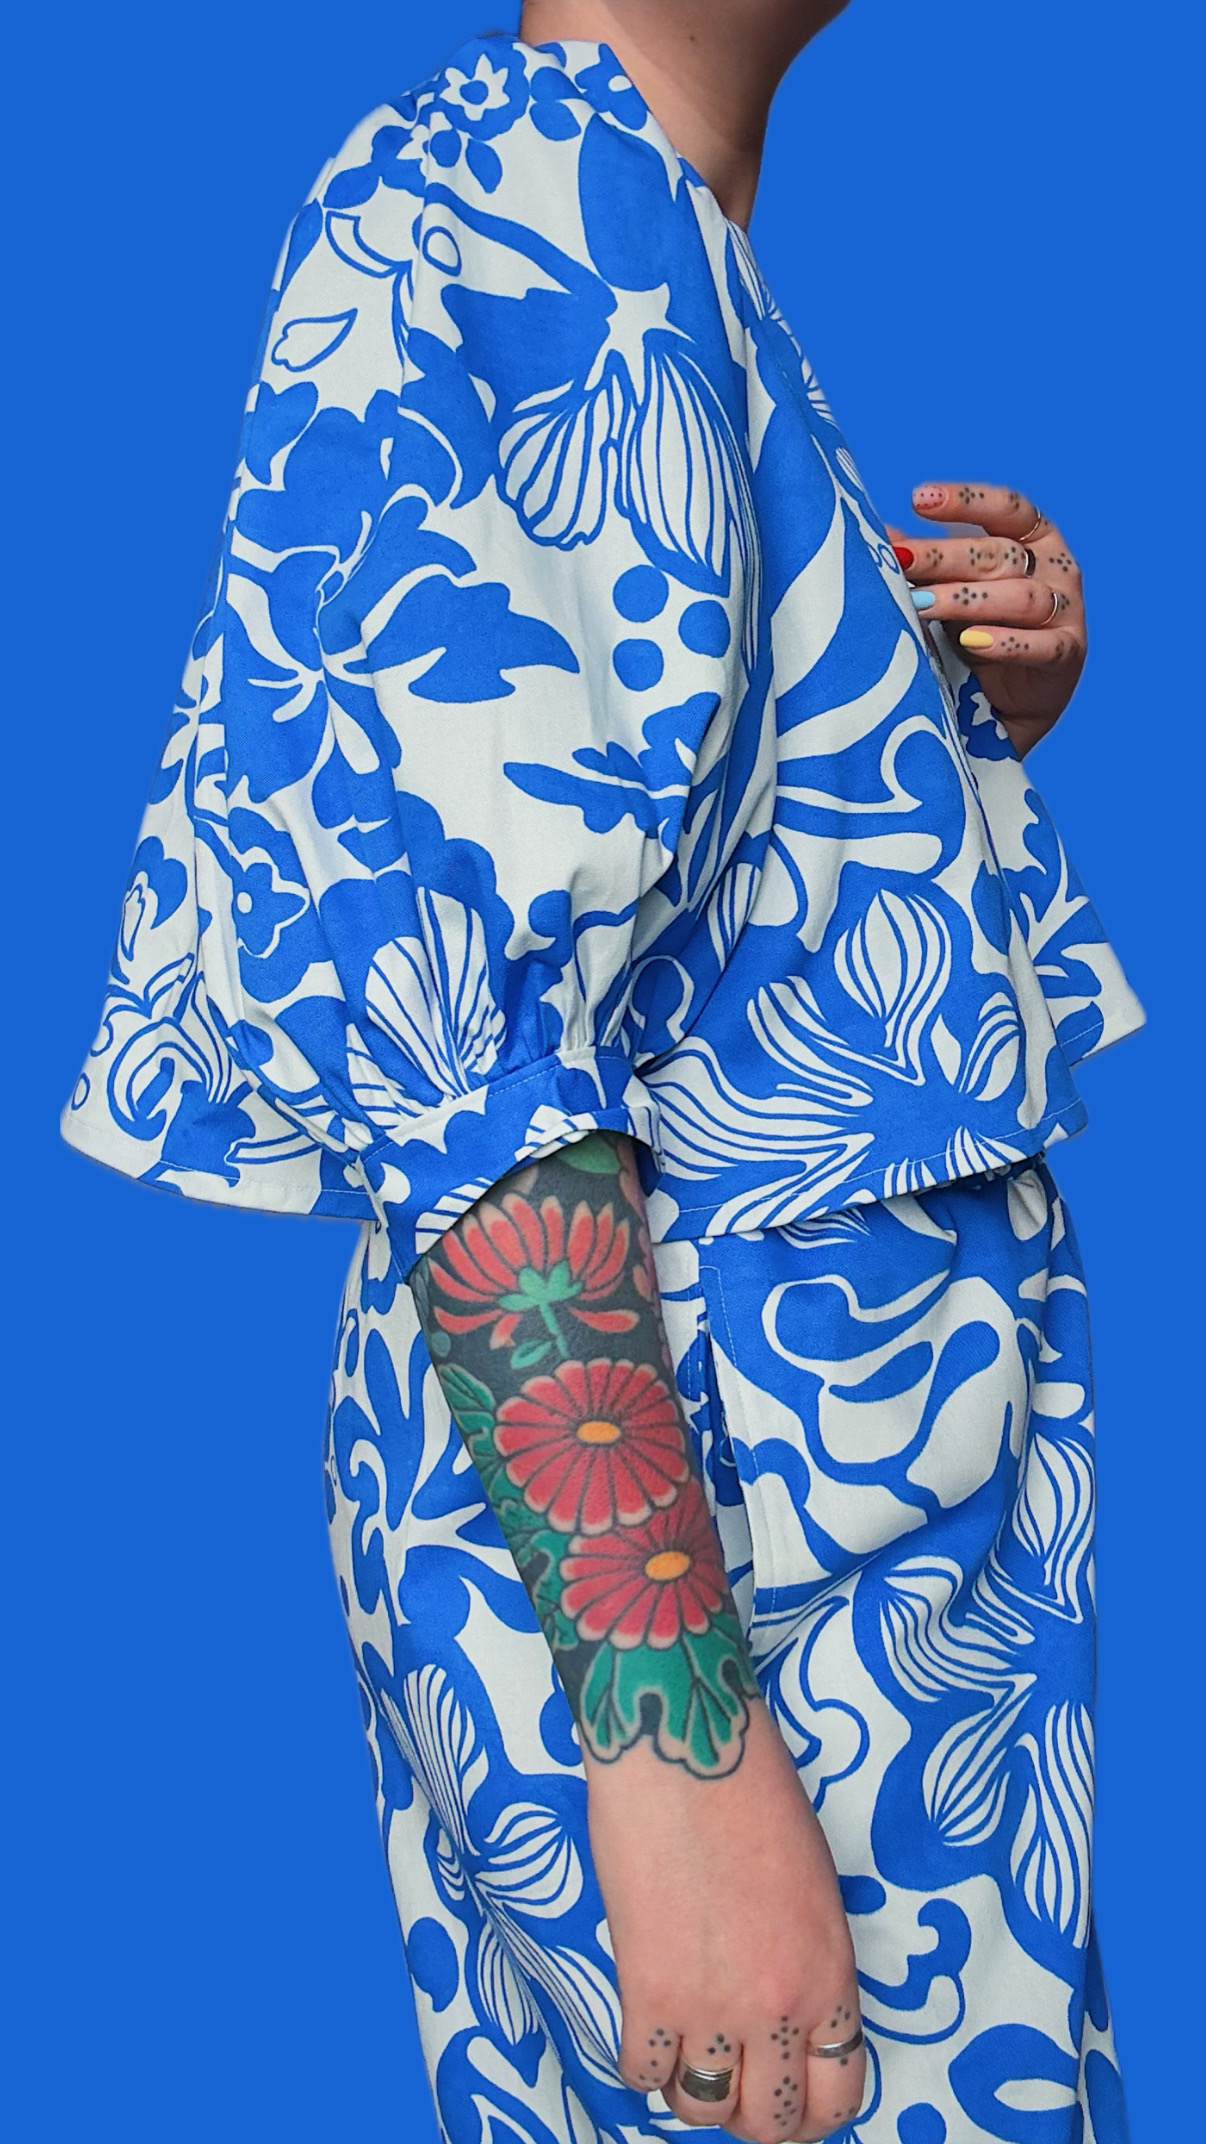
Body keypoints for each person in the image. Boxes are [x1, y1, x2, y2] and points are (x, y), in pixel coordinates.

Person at [62, 5, 1141, 2139]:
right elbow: (430, 991)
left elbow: (664, 912)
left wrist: (930, 712)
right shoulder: (506, 195)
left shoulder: (647, 232)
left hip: (834, 1605)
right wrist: (677, 1754)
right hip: (717, 1601)